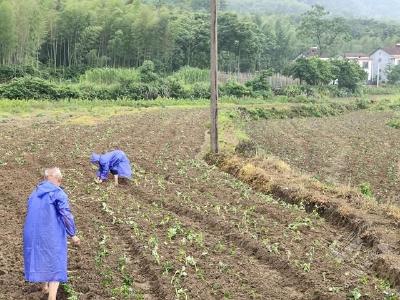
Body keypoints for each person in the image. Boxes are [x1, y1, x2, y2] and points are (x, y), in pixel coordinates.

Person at [23, 167, 80, 300]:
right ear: (58, 180)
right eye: (60, 180)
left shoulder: (34, 193)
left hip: (31, 233)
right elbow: (65, 214)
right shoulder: (58, 193)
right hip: (50, 233)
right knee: (55, 262)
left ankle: (45, 286)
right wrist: (73, 234)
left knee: (42, 256)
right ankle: (52, 297)